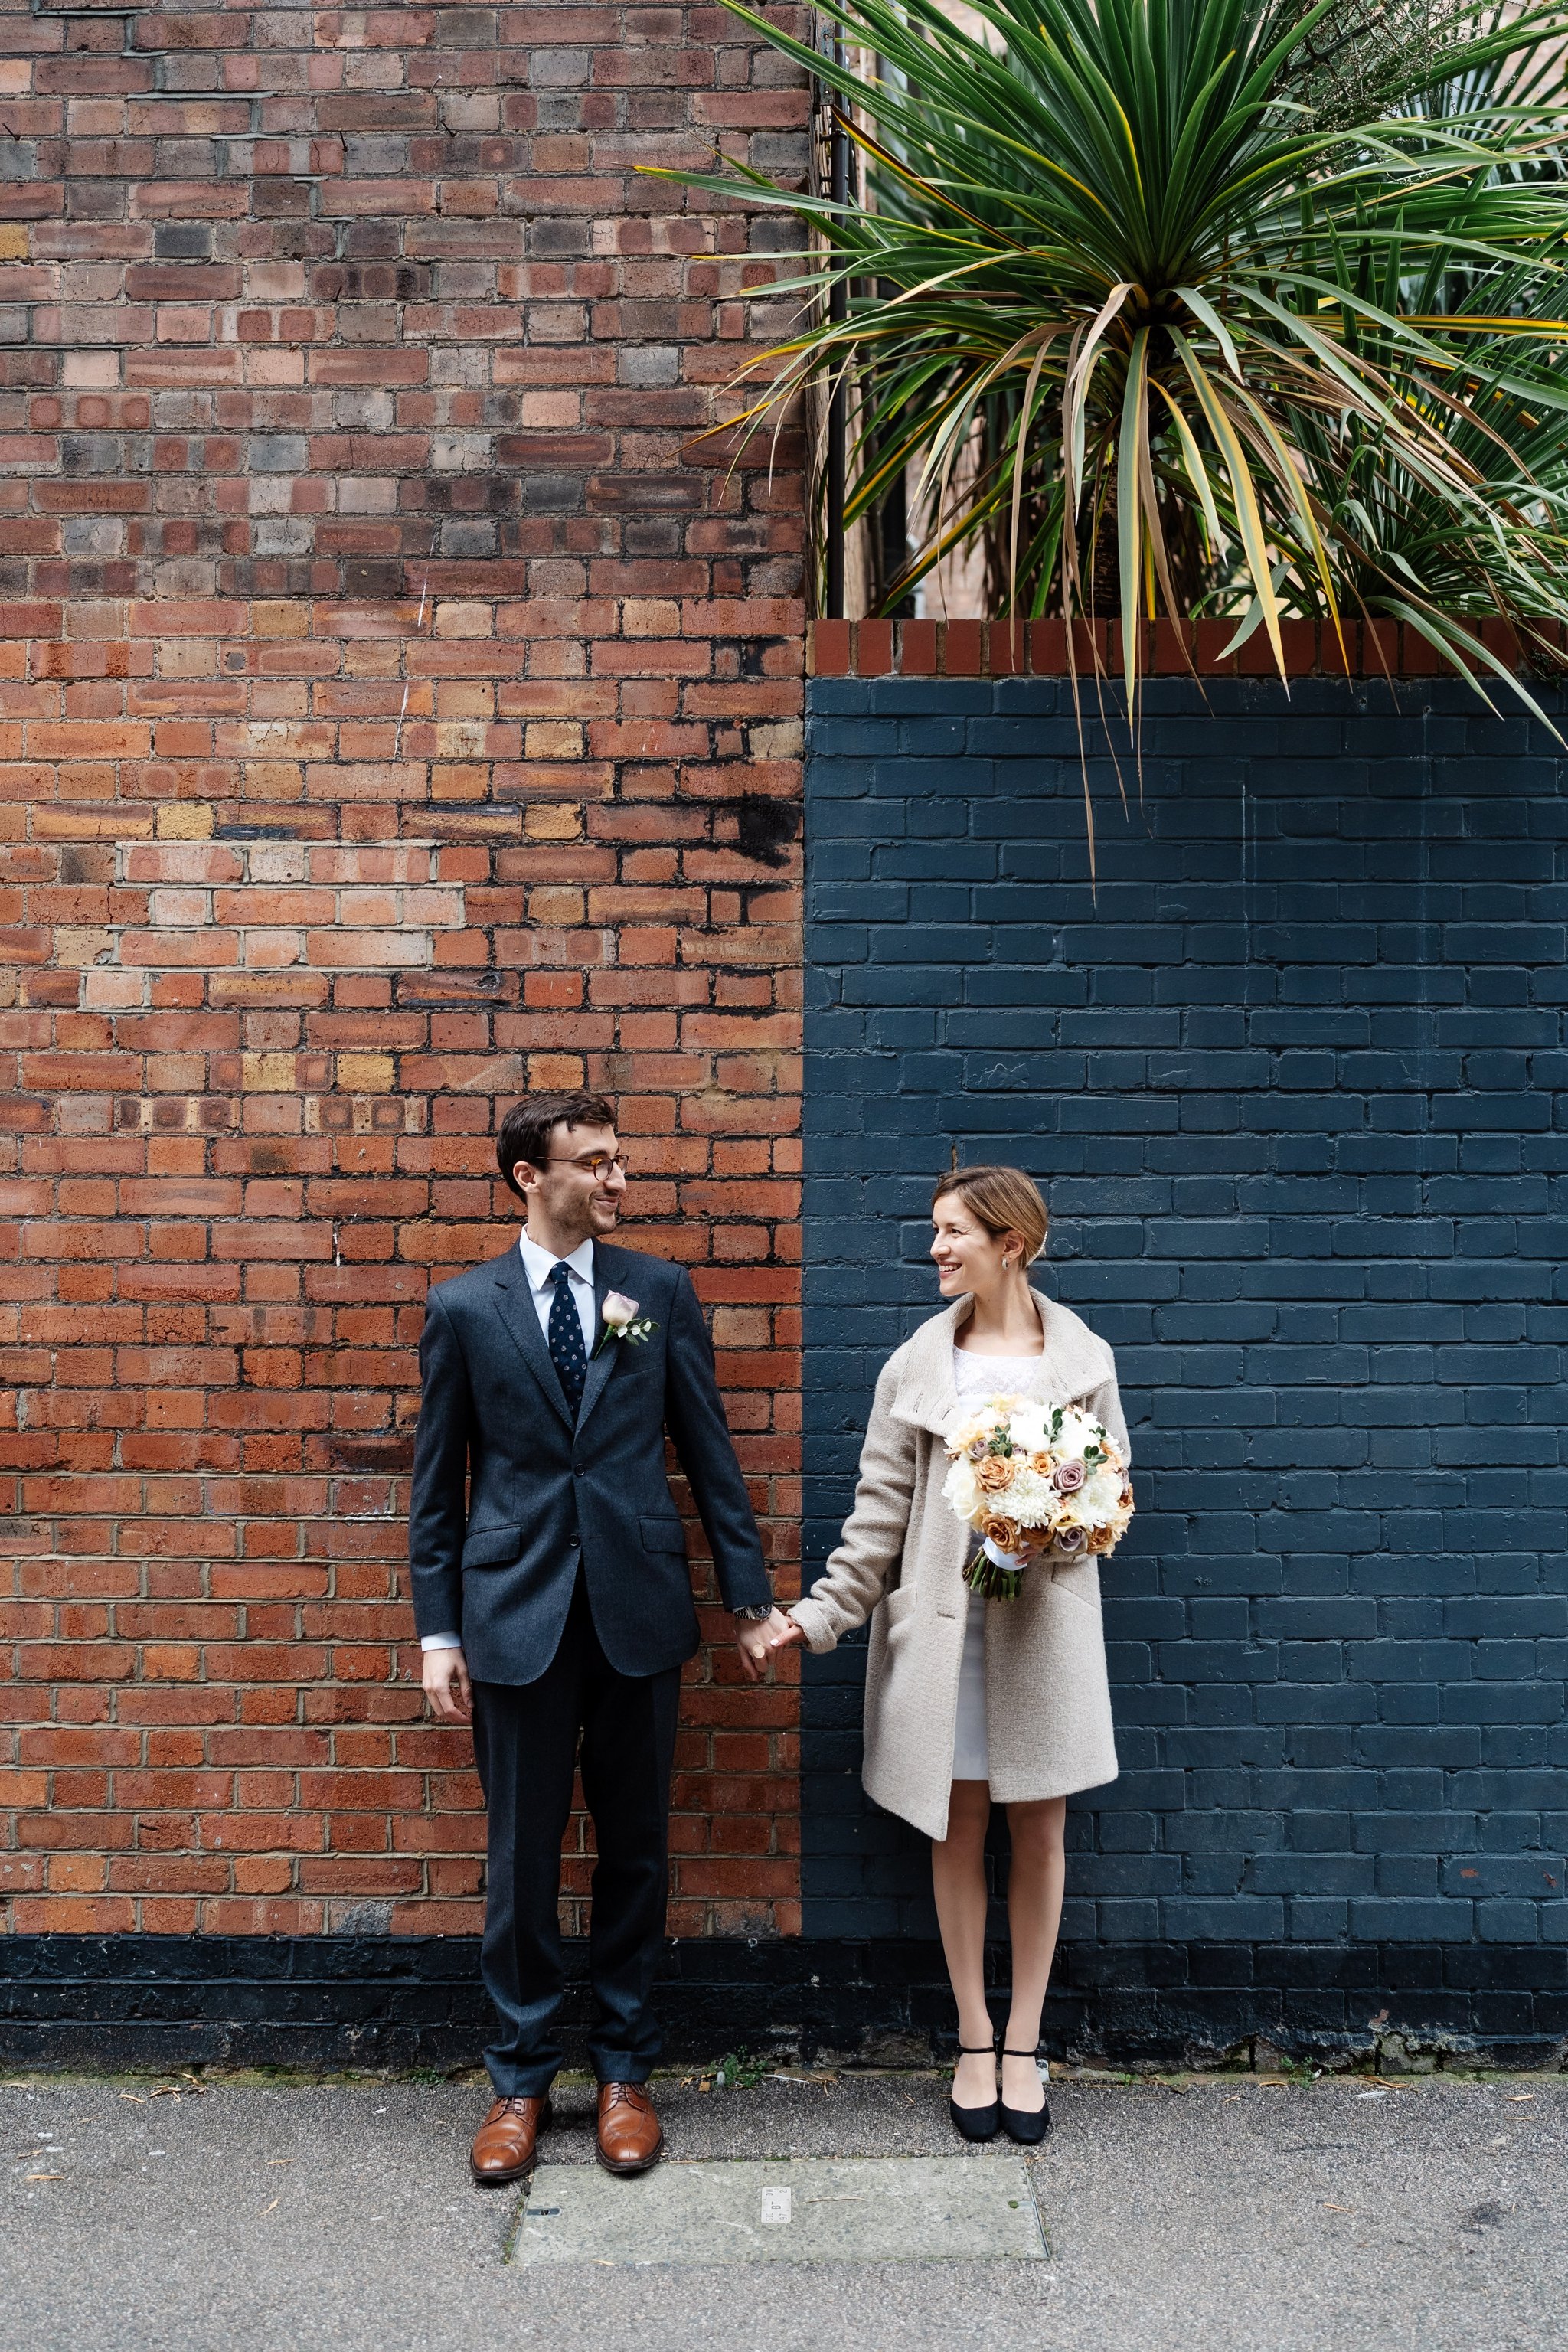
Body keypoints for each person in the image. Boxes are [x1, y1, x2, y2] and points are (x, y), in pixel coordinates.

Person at [410, 1089, 794, 2186]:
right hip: (513, 1616)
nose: (618, 1180)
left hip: (637, 1612)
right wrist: (439, 1632)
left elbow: (710, 1456)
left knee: (634, 1855)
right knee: (521, 1860)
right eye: (596, 1163)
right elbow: (438, 1492)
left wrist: (750, 1599)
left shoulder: (655, 1291)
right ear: (532, 1177)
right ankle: (520, 2083)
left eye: (619, 1160)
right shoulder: (466, 1309)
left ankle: (625, 2072)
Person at [771, 1166, 1129, 2145]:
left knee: (1041, 1832)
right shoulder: (914, 1369)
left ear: (1008, 1244)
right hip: (944, 1637)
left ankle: (1025, 2040)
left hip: (1041, 1632)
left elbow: (1109, 1495)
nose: (933, 1249)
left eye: (951, 1232)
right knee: (956, 1826)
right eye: (933, 1231)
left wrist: (1038, 1534)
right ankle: (972, 2036)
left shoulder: (1084, 1361)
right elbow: (876, 1517)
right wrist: (817, 1617)